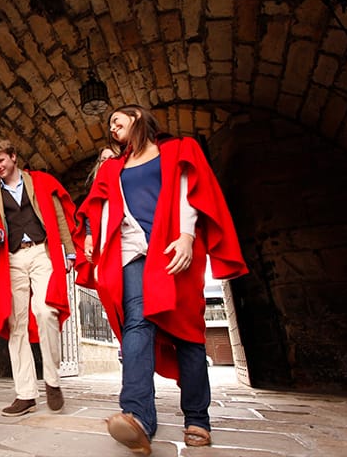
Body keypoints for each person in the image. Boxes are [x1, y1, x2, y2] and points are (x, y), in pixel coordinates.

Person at [75, 104, 248, 454]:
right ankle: (138, 416)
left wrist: (186, 235)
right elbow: (100, 204)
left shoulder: (178, 148)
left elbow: (189, 191)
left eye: (116, 119)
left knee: (188, 331)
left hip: (172, 248)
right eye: (110, 124)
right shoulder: (114, 167)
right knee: (137, 323)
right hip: (133, 253)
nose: (112, 126)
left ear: (136, 116)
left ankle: (197, 417)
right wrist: (93, 237)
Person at [0, 138, 79, 417]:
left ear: (13, 157)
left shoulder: (40, 181)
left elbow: (58, 217)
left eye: (1, 161)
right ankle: (26, 394)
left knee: (45, 311)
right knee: (15, 323)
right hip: (13, 259)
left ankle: (52, 380)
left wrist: (70, 252)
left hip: (42, 252)